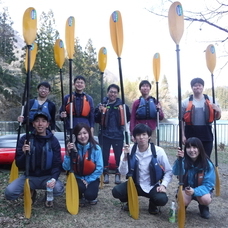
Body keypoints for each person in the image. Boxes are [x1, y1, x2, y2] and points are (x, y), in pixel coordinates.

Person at [5, 112, 64, 208]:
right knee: (9, 193)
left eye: (43, 121)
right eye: (37, 121)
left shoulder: (53, 141)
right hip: (29, 176)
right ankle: (31, 190)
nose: (40, 124)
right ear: (33, 124)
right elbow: (19, 164)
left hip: (47, 177)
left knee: (58, 189)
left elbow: (57, 163)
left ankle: (47, 195)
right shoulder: (25, 139)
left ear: (48, 124)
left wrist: (53, 179)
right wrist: (24, 154)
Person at [112, 123, 172, 215]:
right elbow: (122, 172)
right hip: (135, 184)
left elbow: (168, 171)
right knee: (117, 192)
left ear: (149, 137)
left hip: (152, 185)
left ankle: (153, 204)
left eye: (144, 134)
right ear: (134, 137)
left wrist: (163, 185)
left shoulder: (158, 151)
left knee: (162, 199)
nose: (141, 137)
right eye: (138, 135)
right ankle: (130, 200)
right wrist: (125, 156)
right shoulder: (129, 149)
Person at [94, 84, 131, 185]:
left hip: (118, 135)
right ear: (107, 93)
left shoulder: (122, 105)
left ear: (117, 94)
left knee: (118, 155)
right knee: (104, 155)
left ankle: (117, 174)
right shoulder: (102, 104)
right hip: (104, 134)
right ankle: (105, 173)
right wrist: (99, 111)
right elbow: (95, 119)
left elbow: (128, 118)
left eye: (115, 92)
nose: (112, 94)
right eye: (111, 92)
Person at [173, 137, 215, 219]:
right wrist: (179, 160)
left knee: (205, 199)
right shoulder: (183, 160)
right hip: (186, 189)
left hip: (201, 191)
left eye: (195, 147)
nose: (192, 150)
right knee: (183, 200)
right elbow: (176, 172)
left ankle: (203, 207)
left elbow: (208, 185)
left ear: (200, 149)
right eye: (188, 147)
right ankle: (183, 205)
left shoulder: (207, 164)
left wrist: (195, 191)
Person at [62, 123, 103, 206]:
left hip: (92, 177)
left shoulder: (96, 148)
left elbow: (100, 168)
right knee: (81, 187)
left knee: (90, 196)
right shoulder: (72, 148)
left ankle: (89, 195)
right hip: (77, 177)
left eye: (85, 133)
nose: (83, 136)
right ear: (76, 136)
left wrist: (88, 180)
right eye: (79, 134)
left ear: (89, 134)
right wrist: (67, 154)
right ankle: (79, 196)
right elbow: (65, 167)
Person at [182, 78, 221, 157]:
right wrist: (182, 135)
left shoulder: (211, 100)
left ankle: (205, 169)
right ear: (192, 88)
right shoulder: (185, 102)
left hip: (206, 133)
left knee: (206, 157)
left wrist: (219, 111)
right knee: (191, 157)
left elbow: (217, 118)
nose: (197, 87)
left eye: (199, 85)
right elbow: (181, 121)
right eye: (195, 86)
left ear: (203, 87)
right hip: (190, 133)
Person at [130, 80, 164, 144]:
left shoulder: (155, 102)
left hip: (152, 130)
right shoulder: (136, 103)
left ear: (150, 89)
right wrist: (132, 133)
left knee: (152, 148)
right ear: (140, 89)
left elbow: (161, 117)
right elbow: (132, 119)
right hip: (139, 130)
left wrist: (159, 110)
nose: (145, 88)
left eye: (147, 86)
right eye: (143, 86)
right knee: (139, 149)